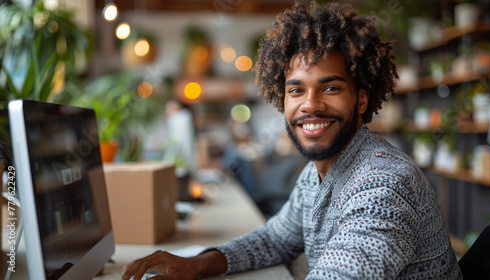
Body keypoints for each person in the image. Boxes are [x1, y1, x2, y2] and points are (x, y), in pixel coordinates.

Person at [121, 2, 462, 279]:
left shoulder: (384, 183)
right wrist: (198, 264)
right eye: (296, 90)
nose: (310, 105)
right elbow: (274, 240)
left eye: (330, 88)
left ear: (360, 99)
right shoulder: (317, 172)